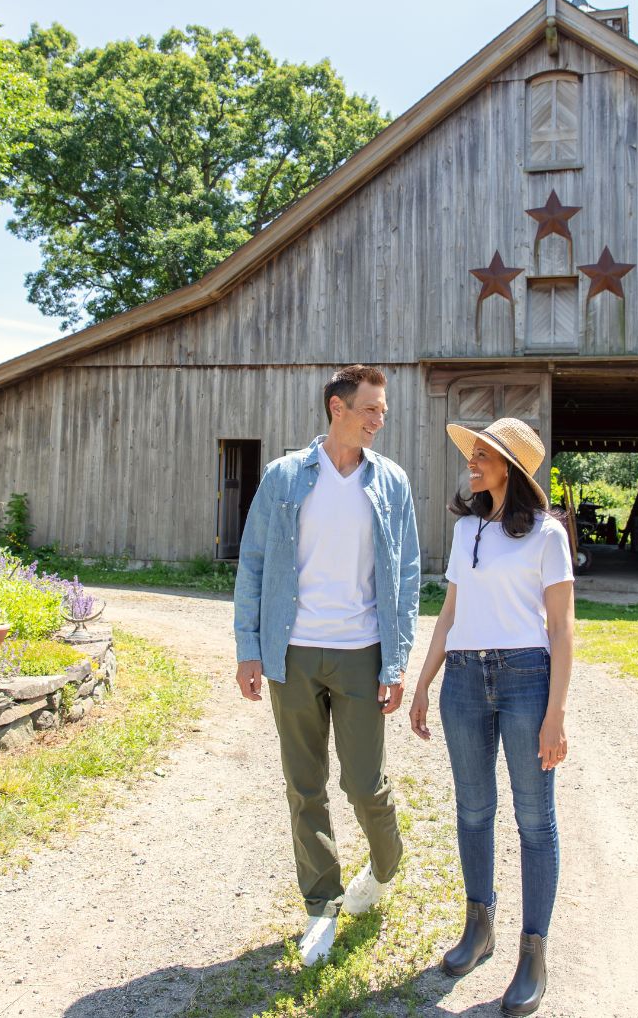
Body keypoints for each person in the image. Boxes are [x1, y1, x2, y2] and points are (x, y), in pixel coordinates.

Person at [233, 364, 421, 966]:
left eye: (383, 411)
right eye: (370, 409)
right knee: (304, 786)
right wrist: (249, 648)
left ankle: (386, 866)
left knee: (365, 783)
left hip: (363, 651)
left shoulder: (390, 482)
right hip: (293, 653)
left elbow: (409, 575)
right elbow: (254, 563)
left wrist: (397, 659)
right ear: (337, 408)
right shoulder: (285, 477)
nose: (379, 419)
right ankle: (321, 904)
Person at [409, 418, 574, 1017]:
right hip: (463, 681)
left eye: (483, 455)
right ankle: (479, 927)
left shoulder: (548, 536)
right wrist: (425, 681)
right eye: (474, 454)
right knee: (473, 810)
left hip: (527, 678)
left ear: (512, 468)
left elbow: (561, 628)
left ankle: (534, 953)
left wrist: (556, 713)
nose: (472, 462)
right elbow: (451, 612)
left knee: (535, 818)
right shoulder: (466, 530)